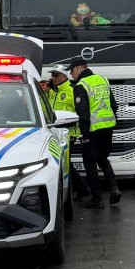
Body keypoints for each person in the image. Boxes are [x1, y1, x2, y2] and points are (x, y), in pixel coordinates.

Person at [68, 57, 121, 207]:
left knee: (90, 164)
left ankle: (97, 199)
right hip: (108, 127)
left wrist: (85, 136)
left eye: (72, 71)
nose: (71, 75)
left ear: (79, 69)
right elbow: (114, 105)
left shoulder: (81, 85)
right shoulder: (103, 79)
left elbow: (83, 113)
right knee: (103, 159)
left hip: (92, 131)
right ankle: (114, 189)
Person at [47, 64, 89, 200]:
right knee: (63, 164)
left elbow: (80, 111)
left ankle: (82, 190)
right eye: (52, 75)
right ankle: (80, 190)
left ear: (64, 76)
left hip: (69, 132)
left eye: (56, 75)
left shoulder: (72, 90)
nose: (53, 78)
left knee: (66, 165)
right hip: (53, 132)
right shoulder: (52, 91)